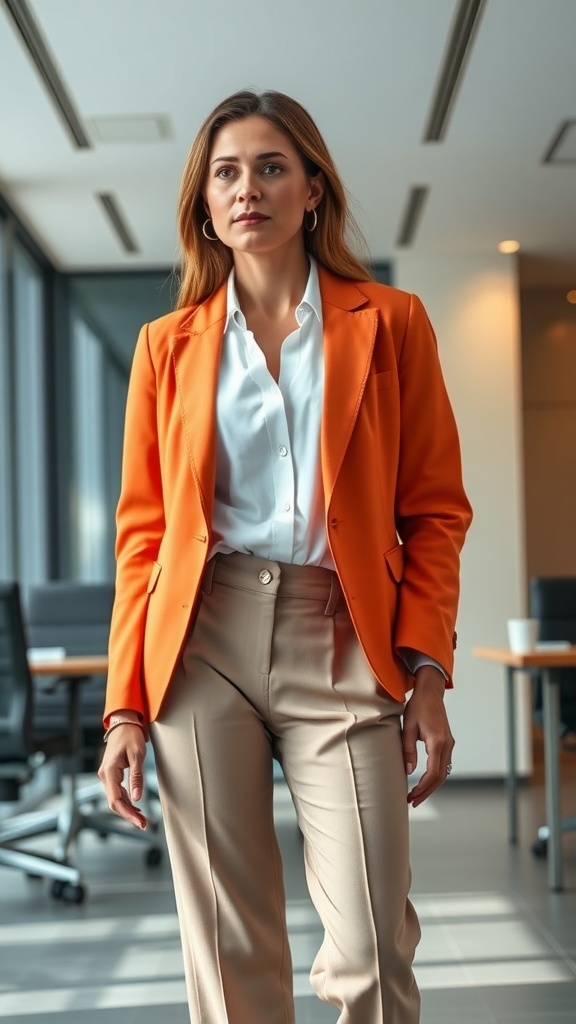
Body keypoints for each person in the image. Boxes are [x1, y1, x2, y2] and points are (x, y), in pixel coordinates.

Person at [98, 89, 472, 1024]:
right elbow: (143, 539)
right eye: (226, 171)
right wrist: (124, 707)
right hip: (201, 643)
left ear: (313, 190)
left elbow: (434, 511)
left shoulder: (393, 323)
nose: (247, 188)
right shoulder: (165, 349)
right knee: (230, 954)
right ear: (205, 202)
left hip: (343, 637)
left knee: (376, 948)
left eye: (271, 167)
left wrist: (427, 670)